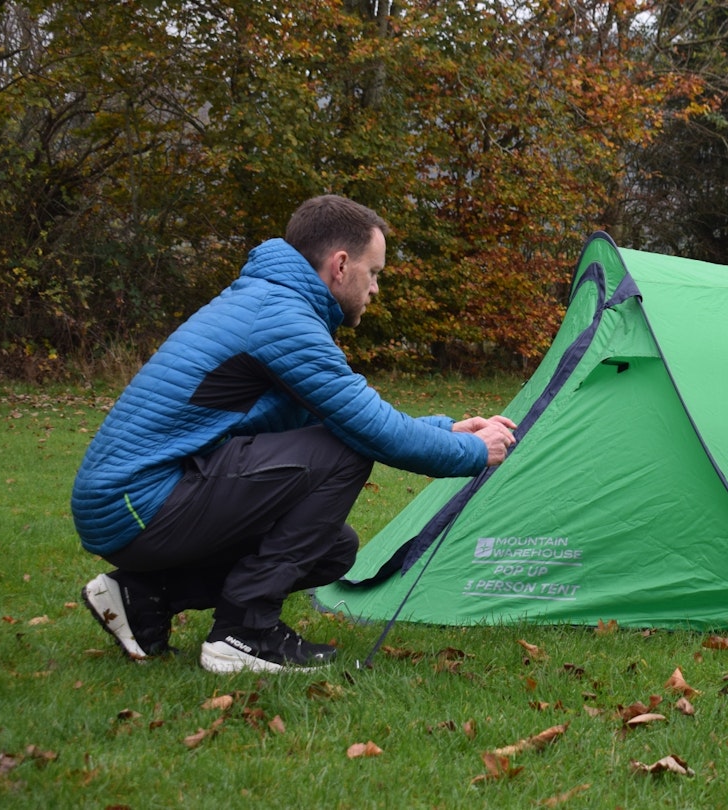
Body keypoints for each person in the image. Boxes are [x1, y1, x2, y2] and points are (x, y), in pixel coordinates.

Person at [71, 195, 516, 674]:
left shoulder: (273, 302)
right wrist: (471, 450)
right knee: (346, 451)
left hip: (133, 501)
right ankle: (245, 633)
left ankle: (142, 597)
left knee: (333, 549)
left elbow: (337, 418)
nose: (375, 288)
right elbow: (370, 431)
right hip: (137, 504)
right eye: (374, 272)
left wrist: (445, 429)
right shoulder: (281, 318)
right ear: (340, 266)